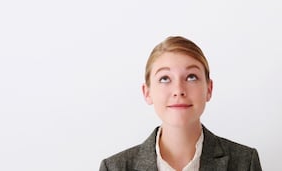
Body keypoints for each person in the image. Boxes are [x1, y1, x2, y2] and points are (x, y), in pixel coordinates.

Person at [99, 36, 262, 171]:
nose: (178, 90)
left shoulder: (244, 163)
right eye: (164, 78)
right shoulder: (114, 168)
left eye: (191, 77)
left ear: (209, 89)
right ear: (147, 92)